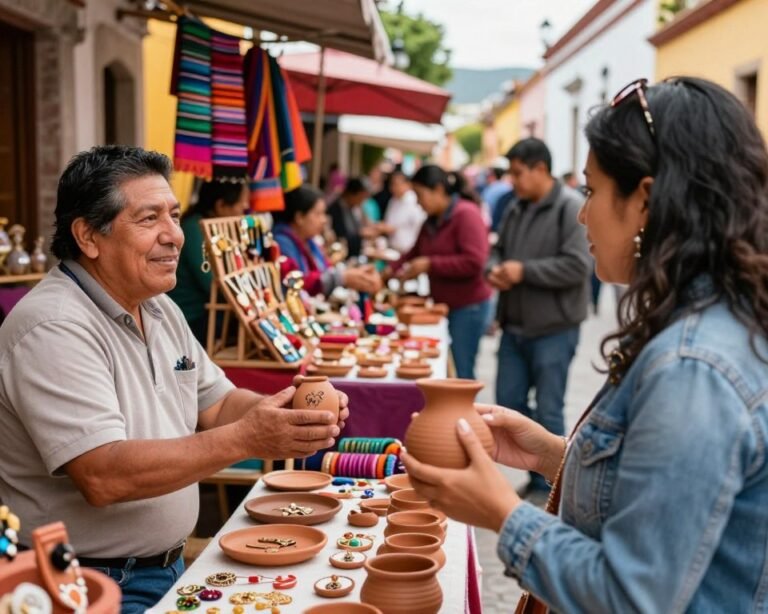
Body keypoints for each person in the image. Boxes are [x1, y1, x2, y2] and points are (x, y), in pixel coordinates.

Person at [403, 77, 768, 612]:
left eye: (593, 191)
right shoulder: (704, 323)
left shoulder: (694, 365)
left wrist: (503, 513)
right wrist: (555, 456)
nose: (582, 212)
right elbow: (667, 497)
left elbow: (631, 596)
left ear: (645, 201)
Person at [0, 146, 349, 613]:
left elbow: (218, 403)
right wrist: (248, 438)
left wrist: (286, 411)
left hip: (161, 568)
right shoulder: (54, 326)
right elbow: (103, 475)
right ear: (88, 236)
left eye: (175, 215)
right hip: (88, 583)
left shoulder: (156, 306)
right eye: (149, 220)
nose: (175, 236)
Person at [487, 137, 590, 501]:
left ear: (541, 169)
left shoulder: (570, 207)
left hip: (554, 329)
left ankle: (551, 487)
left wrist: (523, 271)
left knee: (549, 407)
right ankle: (536, 475)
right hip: (515, 326)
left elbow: (578, 266)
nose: (512, 180)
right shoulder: (516, 207)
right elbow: (497, 249)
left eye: (518, 173)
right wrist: (496, 268)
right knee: (508, 401)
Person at [393, 165, 492, 379]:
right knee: (449, 368)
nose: (418, 203)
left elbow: (475, 261)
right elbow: (412, 253)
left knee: (461, 371)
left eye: (420, 195)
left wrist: (430, 264)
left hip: (468, 306)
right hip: (443, 306)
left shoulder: (466, 214)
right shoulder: (431, 221)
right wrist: (387, 272)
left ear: (438, 190)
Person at [167, 179, 249, 343]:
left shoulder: (209, 227)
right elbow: (212, 283)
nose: (244, 209)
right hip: (191, 317)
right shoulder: (195, 229)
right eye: (241, 203)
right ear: (220, 205)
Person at [273, 184, 382, 296]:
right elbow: (297, 282)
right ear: (299, 217)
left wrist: (354, 273)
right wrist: (342, 277)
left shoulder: (309, 241)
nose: (324, 220)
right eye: (318, 214)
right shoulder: (282, 243)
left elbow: (325, 270)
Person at [379, 170, 426, 253]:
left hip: (408, 250)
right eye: (392, 184)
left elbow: (420, 225)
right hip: (392, 248)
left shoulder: (414, 201)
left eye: (396, 184)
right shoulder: (393, 200)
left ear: (407, 184)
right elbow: (389, 222)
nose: (393, 188)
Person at [327, 177, 370, 259]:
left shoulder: (352, 208)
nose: (362, 201)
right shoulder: (335, 210)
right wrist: (360, 234)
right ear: (351, 194)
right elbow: (340, 236)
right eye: (360, 198)